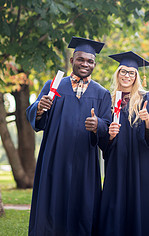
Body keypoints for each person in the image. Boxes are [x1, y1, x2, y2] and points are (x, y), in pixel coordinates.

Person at [26, 37, 111, 235]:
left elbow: (107, 126)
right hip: (55, 156)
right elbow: (37, 116)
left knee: (82, 205)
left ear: (95, 64)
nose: (85, 64)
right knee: (52, 200)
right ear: (72, 60)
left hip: (85, 160)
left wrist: (97, 124)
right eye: (81, 59)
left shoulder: (101, 93)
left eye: (90, 61)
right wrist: (39, 108)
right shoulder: (54, 86)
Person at [98, 51, 149, 236]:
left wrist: (148, 120)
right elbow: (103, 140)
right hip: (117, 159)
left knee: (141, 199)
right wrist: (109, 135)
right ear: (117, 73)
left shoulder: (146, 98)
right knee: (116, 199)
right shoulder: (108, 99)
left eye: (131, 72)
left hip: (142, 160)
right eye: (123, 71)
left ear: (136, 76)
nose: (127, 76)